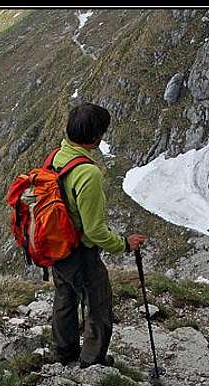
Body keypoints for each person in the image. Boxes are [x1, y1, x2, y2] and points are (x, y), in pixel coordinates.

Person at [49, 103, 147, 368]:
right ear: (95, 138)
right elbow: (93, 231)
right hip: (80, 251)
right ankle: (92, 361)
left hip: (56, 247)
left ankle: (63, 352)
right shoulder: (87, 173)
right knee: (98, 303)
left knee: (65, 297)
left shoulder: (57, 157)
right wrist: (124, 244)